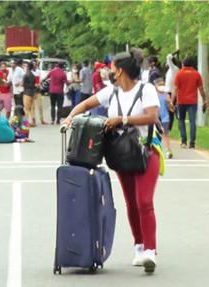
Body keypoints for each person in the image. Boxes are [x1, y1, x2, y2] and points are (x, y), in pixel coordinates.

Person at [65, 49, 161, 274]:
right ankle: (139, 246)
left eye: (111, 67)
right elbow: (86, 105)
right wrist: (71, 117)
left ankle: (150, 251)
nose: (108, 70)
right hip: (121, 153)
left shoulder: (146, 89)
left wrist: (123, 119)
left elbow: (151, 116)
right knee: (131, 202)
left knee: (144, 201)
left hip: (146, 152)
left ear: (120, 70)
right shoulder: (112, 92)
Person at [171, 57, 207, 149]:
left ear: (183, 64)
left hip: (181, 101)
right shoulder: (196, 74)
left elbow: (175, 89)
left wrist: (172, 101)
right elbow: (201, 89)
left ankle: (183, 141)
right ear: (192, 65)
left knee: (181, 120)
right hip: (192, 102)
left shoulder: (179, 74)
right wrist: (204, 99)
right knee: (192, 122)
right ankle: (192, 143)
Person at [155, 79, 173, 159]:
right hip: (156, 118)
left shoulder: (167, 96)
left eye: (163, 85)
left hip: (165, 118)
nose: (161, 87)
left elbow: (171, 109)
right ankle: (156, 150)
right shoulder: (154, 95)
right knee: (156, 135)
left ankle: (169, 151)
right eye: (160, 85)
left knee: (165, 135)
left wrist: (169, 103)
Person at [165, 53, 180, 131]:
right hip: (168, 92)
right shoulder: (170, 70)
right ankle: (168, 127)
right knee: (168, 111)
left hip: (171, 93)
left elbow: (168, 57)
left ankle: (169, 127)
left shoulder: (174, 68)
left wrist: (173, 53)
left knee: (170, 111)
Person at [31, 61, 47, 125]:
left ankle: (42, 119)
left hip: (38, 90)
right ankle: (33, 119)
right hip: (32, 91)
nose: (35, 65)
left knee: (40, 106)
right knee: (32, 107)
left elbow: (40, 80)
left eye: (35, 64)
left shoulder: (38, 71)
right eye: (33, 64)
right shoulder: (29, 72)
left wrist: (39, 84)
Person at [22, 62, 37, 126]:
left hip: (27, 93)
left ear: (27, 67)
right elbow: (34, 85)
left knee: (26, 108)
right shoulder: (33, 76)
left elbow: (23, 84)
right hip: (32, 93)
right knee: (32, 108)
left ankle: (26, 123)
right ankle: (34, 121)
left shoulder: (25, 75)